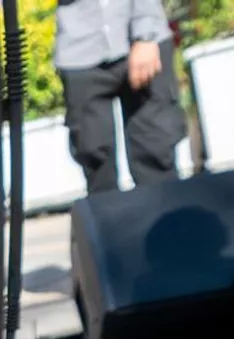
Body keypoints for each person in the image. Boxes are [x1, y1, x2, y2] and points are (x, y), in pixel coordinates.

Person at [54, 0, 183, 195]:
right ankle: (107, 222)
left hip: (144, 38)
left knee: (156, 153)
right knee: (94, 155)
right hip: (79, 49)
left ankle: (165, 221)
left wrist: (146, 33)